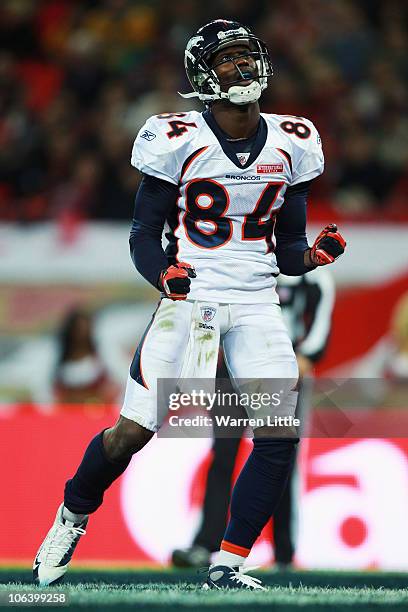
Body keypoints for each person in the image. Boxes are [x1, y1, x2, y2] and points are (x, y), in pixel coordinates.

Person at [34, 19, 346, 590]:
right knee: (133, 432)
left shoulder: (295, 138)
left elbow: (290, 248)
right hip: (192, 297)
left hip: (255, 299)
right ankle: (70, 517)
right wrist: (165, 276)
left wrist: (314, 258)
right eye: (228, 60)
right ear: (204, 74)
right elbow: (142, 236)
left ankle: (227, 563)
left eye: (246, 56)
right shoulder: (174, 136)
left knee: (278, 436)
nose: (242, 67)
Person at [171, 269, 335, 569]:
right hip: (231, 372)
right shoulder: (240, 260)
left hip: (280, 374)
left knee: (280, 456)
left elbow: (319, 327)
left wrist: (305, 359)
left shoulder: (312, 276)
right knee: (222, 455)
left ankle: (283, 551)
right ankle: (205, 544)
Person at [53, 308, 118, 405]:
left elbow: (113, 387)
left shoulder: (101, 357)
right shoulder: (59, 362)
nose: (82, 333)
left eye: (86, 328)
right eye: (78, 329)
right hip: (69, 414)